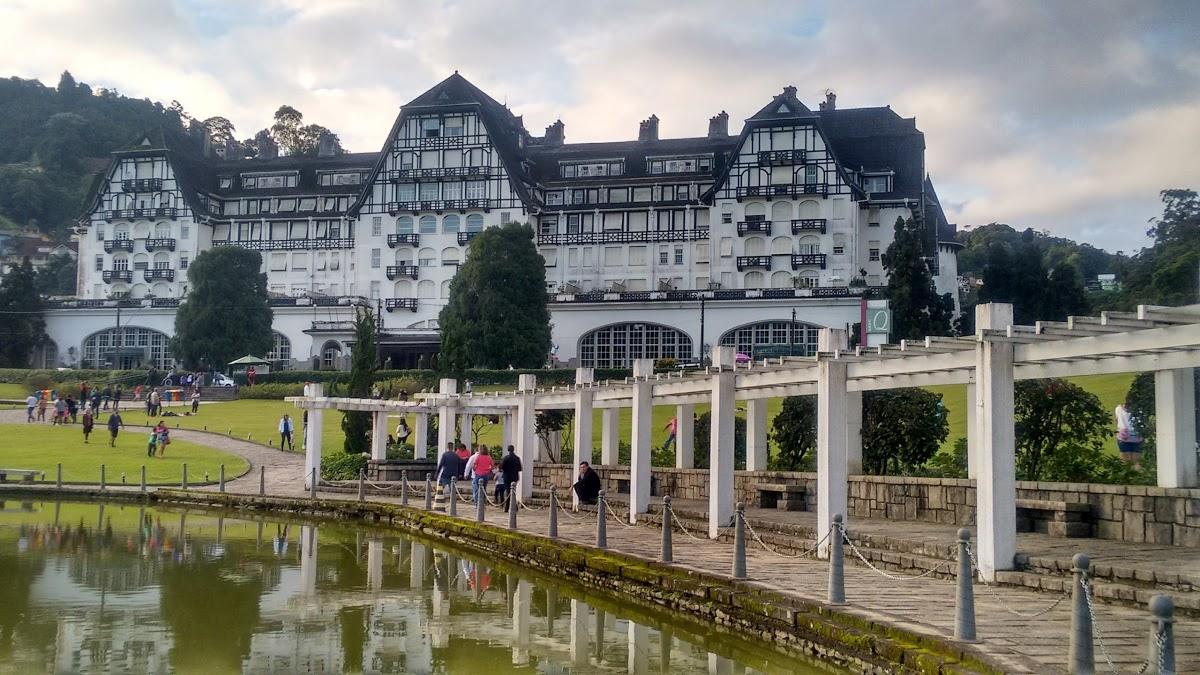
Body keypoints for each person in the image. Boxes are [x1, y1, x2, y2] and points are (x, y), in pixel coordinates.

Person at [1115, 397, 1144, 465]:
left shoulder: (1118, 408)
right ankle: (1136, 471)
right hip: (1137, 437)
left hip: (1123, 437)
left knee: (1125, 461)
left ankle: (1127, 471)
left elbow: (1116, 420)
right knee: (1137, 461)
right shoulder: (1139, 411)